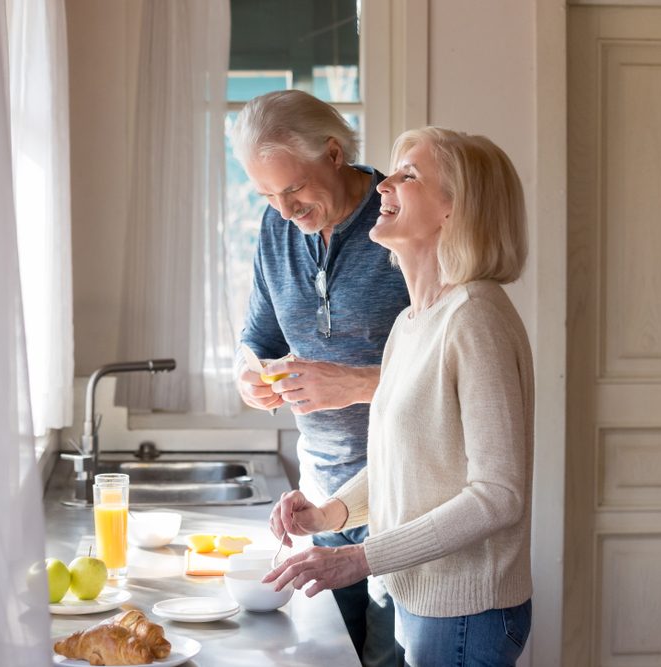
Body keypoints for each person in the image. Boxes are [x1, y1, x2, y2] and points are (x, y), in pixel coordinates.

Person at [264, 128, 535, 667]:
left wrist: (363, 558)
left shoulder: (475, 316)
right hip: (424, 603)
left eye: (408, 175)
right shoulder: (412, 322)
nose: (383, 184)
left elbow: (499, 495)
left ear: (455, 209)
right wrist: (328, 514)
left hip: (465, 613)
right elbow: (400, 460)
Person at [231, 90, 409, 666]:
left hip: (403, 495)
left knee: (385, 660)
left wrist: (357, 383)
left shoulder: (402, 218)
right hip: (319, 496)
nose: (283, 210)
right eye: (265, 194)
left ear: (333, 153)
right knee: (323, 657)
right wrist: (248, 375)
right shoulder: (276, 230)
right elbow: (259, 340)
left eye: (293, 189)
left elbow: (449, 369)